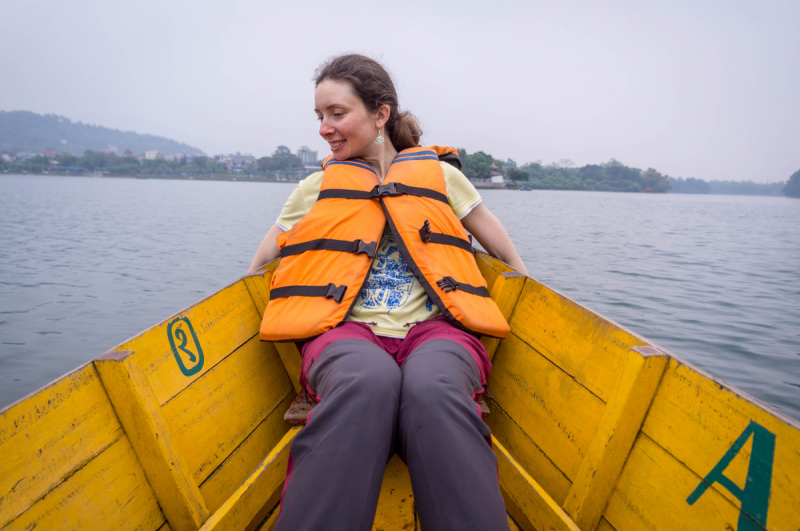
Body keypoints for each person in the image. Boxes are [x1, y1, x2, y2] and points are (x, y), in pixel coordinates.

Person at [248, 54, 528, 531]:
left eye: (337, 113)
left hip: (437, 333)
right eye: (319, 117)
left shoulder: (441, 178)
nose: (324, 128)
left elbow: (508, 257)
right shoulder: (315, 189)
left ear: (380, 114)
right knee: (366, 384)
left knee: (433, 391)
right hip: (345, 334)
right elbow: (257, 270)